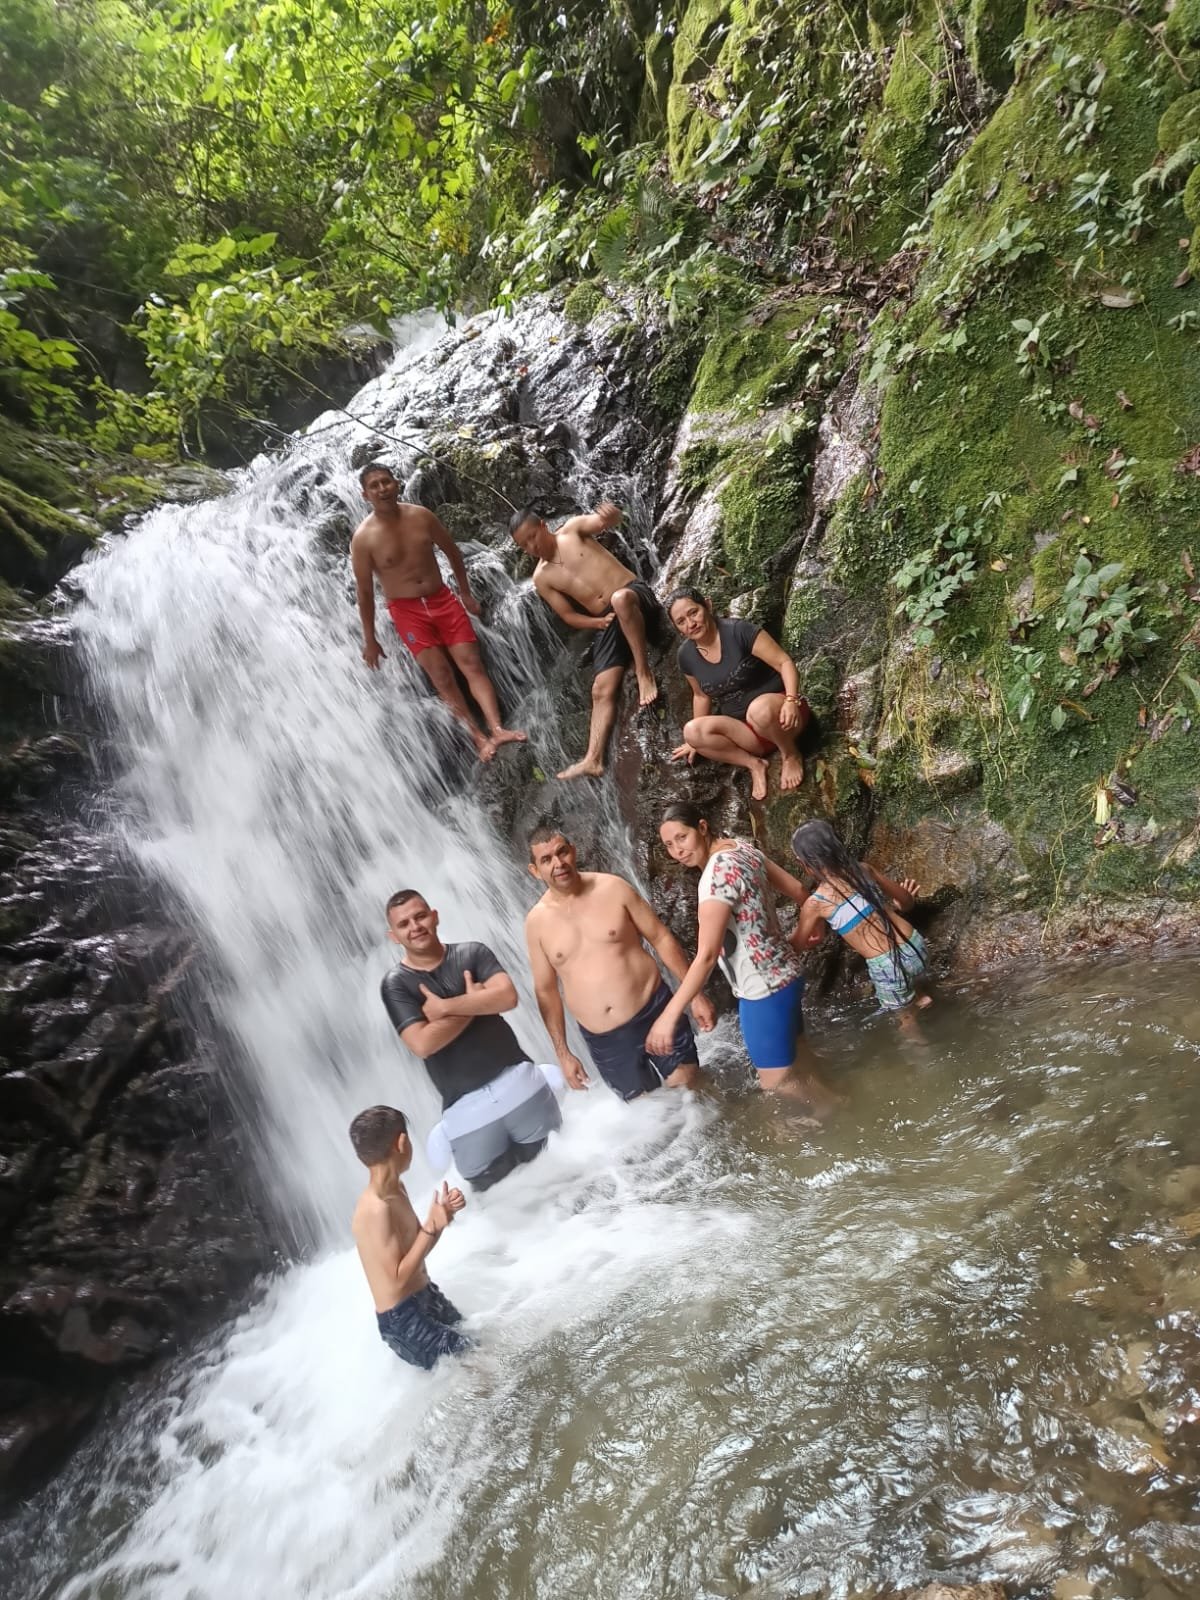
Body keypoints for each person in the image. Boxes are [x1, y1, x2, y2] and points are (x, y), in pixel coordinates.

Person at [653, 802, 839, 1117]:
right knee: (801, 1063)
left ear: (702, 827)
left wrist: (670, 1015)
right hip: (787, 975)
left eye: (682, 837)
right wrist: (812, 926)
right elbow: (797, 889)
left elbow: (706, 956)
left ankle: (837, 1115)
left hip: (761, 991)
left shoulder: (714, 878)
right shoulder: (741, 849)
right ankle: (836, 1104)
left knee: (777, 1085)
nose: (677, 851)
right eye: (669, 845)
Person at [380, 889, 561, 1189]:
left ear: (435, 916)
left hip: (509, 1089)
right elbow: (422, 1044)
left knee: (502, 1197)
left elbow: (507, 997)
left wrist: (444, 1009)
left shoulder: (472, 953)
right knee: (555, 1169)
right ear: (394, 936)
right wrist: (474, 1002)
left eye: (420, 916)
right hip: (472, 1110)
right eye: (404, 924)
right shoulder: (396, 985)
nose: (415, 927)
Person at [524, 823, 718, 1100]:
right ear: (535, 870)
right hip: (605, 1039)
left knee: (691, 1089)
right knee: (648, 1113)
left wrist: (695, 995)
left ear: (573, 851)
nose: (558, 863)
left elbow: (660, 938)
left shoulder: (613, 888)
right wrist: (563, 1054)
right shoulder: (536, 924)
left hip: (654, 1010)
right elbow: (546, 991)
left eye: (562, 852)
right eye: (546, 859)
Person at [351, 462, 525, 762]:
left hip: (442, 599)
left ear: (396, 483)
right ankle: (478, 738)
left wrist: (465, 593)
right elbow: (365, 593)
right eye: (374, 486)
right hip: (407, 612)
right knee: (442, 677)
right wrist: (370, 640)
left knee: (472, 663)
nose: (382, 489)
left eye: (386, 481)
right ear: (365, 495)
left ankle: (498, 729)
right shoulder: (363, 539)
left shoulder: (421, 516)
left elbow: (452, 552)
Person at [510, 500, 660, 780]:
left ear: (543, 525)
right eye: (524, 545)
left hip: (632, 594)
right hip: (607, 618)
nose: (531, 547)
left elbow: (605, 522)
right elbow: (568, 616)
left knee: (621, 599)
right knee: (600, 689)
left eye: (532, 537)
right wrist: (596, 623)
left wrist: (612, 515)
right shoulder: (542, 578)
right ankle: (593, 759)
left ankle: (643, 672)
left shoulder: (572, 530)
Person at [349, 1104, 470, 1371]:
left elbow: (418, 1248)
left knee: (476, 1343)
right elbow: (397, 1279)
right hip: (403, 1320)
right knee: (474, 1362)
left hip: (426, 1295)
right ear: (402, 1143)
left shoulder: (397, 1189)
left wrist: (442, 1217)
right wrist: (431, 1226)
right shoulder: (374, 1209)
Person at [667, 588, 811, 800]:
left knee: (758, 710)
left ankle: (790, 754)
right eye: (681, 621)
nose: (690, 623)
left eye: (693, 612)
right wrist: (694, 743)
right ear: (677, 628)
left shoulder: (738, 631)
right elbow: (701, 696)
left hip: (783, 717)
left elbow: (784, 662)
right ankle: (754, 764)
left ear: (708, 605)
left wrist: (791, 700)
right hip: (746, 733)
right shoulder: (686, 656)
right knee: (691, 731)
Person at [790, 820, 931, 1023]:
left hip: (887, 966)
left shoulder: (816, 903)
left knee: (906, 1022)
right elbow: (907, 903)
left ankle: (917, 1037)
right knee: (916, 987)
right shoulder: (863, 869)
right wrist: (896, 906)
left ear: (803, 863)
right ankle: (923, 998)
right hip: (914, 944)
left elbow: (795, 947)